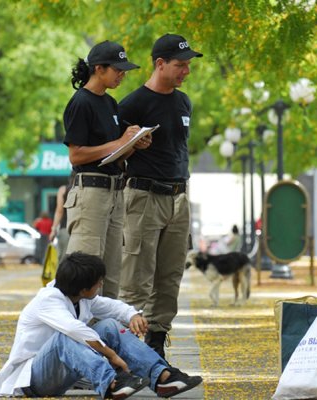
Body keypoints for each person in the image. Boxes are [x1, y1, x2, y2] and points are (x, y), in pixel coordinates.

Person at [0, 252, 203, 399]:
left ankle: (162, 377)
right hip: (33, 380)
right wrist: (111, 355)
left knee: (109, 324)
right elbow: (75, 330)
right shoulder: (48, 300)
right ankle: (111, 384)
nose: (101, 285)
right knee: (67, 336)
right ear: (83, 288)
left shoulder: (79, 297)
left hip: (62, 374)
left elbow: (110, 307)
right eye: (98, 282)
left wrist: (132, 315)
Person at [117, 33, 202, 358]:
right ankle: (124, 348)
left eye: (188, 65)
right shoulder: (132, 104)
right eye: (181, 65)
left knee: (170, 275)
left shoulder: (183, 102)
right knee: (137, 275)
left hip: (179, 198)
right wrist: (129, 146)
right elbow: (113, 154)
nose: (186, 72)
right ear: (160, 64)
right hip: (144, 196)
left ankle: (156, 342)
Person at [63, 40, 151, 299]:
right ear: (99, 69)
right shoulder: (81, 102)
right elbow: (75, 154)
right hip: (90, 191)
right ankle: (77, 334)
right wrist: (120, 142)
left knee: (112, 272)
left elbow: (114, 152)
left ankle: (106, 333)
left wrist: (134, 145)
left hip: (115, 191)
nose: (122, 75)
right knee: (85, 269)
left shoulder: (111, 104)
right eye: (118, 70)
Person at [49, 173, 75, 264]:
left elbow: (59, 211)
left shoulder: (63, 190)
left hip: (66, 229)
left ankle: (63, 278)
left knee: (64, 260)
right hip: (81, 229)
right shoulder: (84, 190)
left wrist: (53, 229)